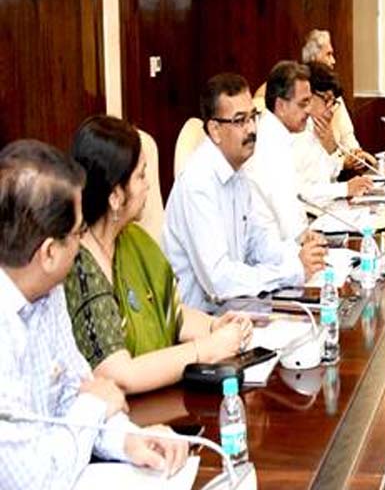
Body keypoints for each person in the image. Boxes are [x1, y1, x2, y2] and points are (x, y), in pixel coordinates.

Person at [0, 140, 188, 490]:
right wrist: (94, 406)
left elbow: (76, 391)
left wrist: (129, 439)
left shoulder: (47, 288)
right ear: (49, 252)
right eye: (78, 231)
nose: (82, 242)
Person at [63, 116, 252, 395]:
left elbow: (168, 313)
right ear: (115, 196)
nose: (148, 185)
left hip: (163, 400)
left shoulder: (133, 240)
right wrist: (206, 350)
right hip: (124, 415)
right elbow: (120, 375)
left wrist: (214, 326)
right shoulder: (79, 265)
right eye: (141, 176)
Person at [163, 73, 327, 312]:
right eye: (240, 121)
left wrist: (300, 256)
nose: (251, 129)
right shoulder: (197, 184)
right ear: (215, 130)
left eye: (253, 117)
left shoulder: (237, 170)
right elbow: (219, 282)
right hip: (205, 321)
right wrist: (290, 271)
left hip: (239, 308)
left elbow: (257, 242)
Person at [245, 61, 371, 242]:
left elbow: (321, 176)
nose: (309, 109)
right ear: (281, 106)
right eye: (304, 103)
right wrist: (307, 241)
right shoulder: (269, 142)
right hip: (286, 243)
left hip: (305, 229)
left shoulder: (289, 131)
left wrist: (330, 147)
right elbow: (298, 196)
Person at [301, 29, 375, 173]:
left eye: (333, 102)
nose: (333, 61)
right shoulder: (299, 118)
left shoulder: (332, 95)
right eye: (328, 54)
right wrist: (341, 162)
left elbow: (348, 137)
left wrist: (357, 154)